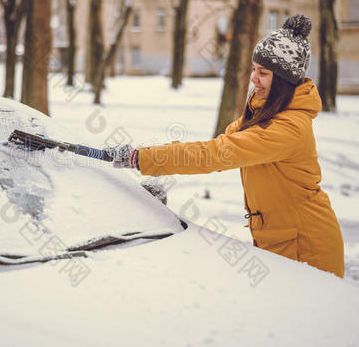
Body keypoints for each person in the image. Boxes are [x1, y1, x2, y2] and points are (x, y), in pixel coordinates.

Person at [105, 14, 345, 278]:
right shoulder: (266, 116)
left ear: (284, 81)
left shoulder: (287, 129)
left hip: (306, 244)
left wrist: (142, 158)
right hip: (283, 238)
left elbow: (215, 155)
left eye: (263, 73)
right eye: (254, 69)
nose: (254, 78)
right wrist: (146, 156)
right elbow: (219, 145)